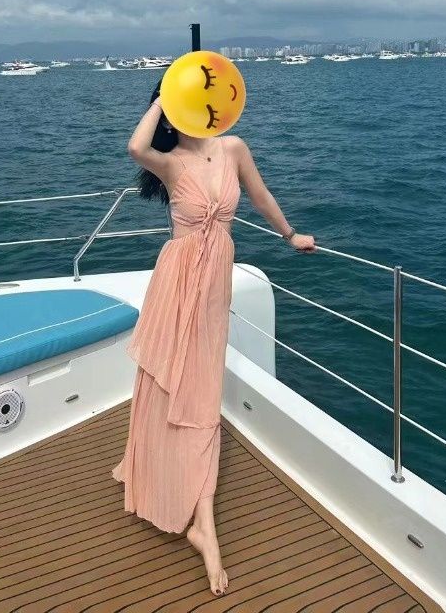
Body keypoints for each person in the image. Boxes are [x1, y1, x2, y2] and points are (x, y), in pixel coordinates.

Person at [112, 78, 316, 596]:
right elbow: (135, 147)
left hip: (213, 281)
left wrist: (290, 234)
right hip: (176, 280)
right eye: (180, 102)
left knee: (201, 389)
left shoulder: (233, 148)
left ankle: (200, 515)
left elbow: (260, 194)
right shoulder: (169, 160)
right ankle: (198, 519)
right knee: (170, 382)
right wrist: (164, 98)